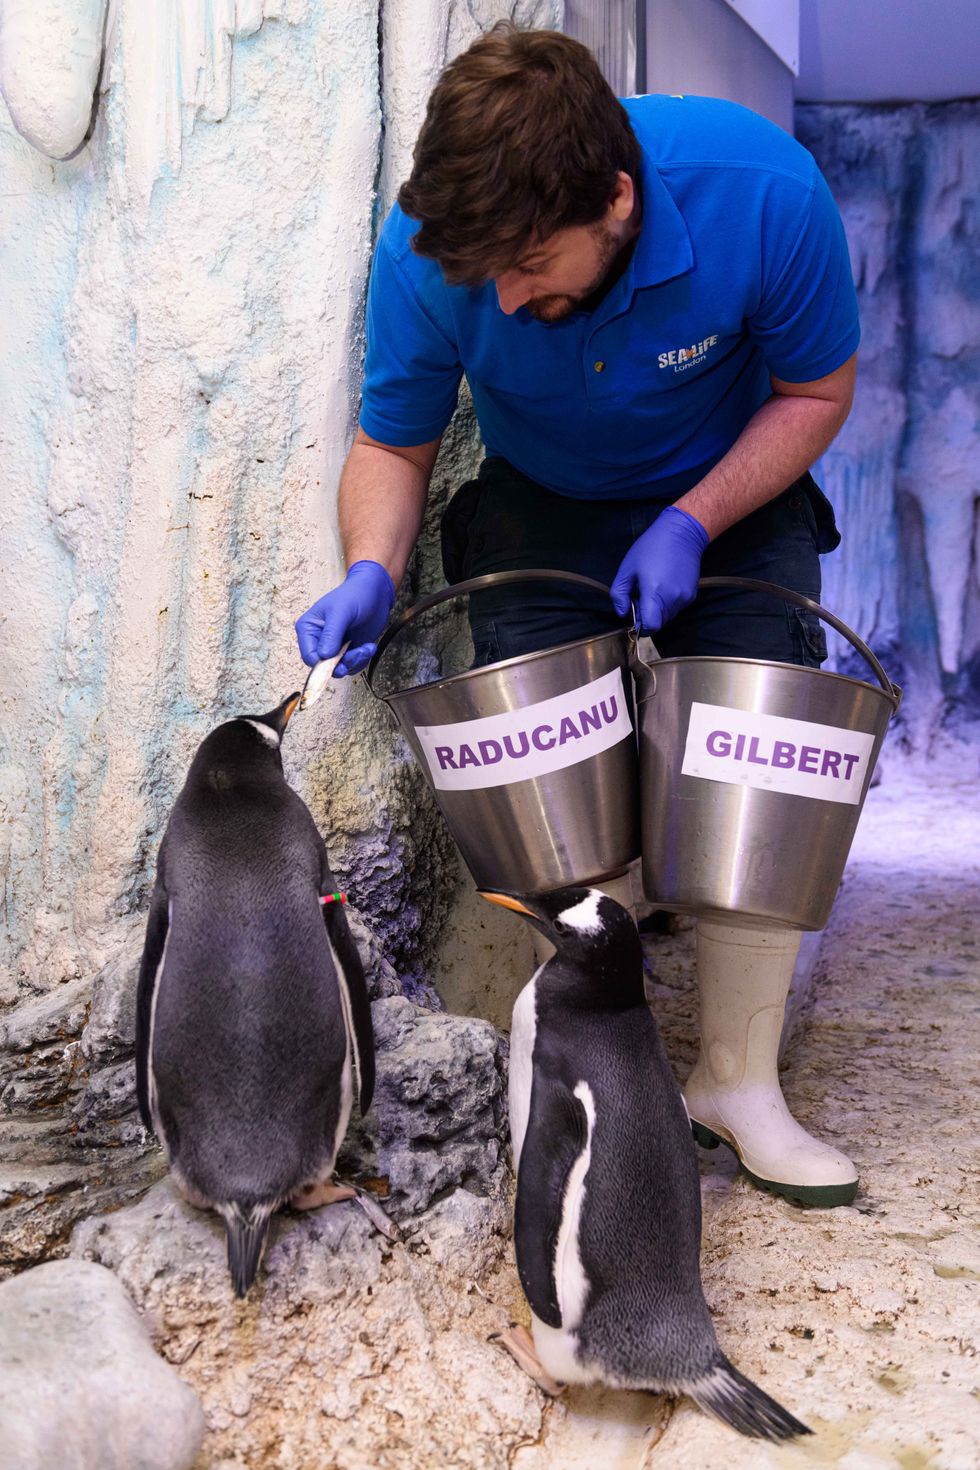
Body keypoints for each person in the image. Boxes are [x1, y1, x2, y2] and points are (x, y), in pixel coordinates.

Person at [294, 26, 860, 1207]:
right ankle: (605, 1083)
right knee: (541, 778)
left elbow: (814, 392)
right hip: (542, 497)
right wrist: (371, 568)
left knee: (758, 760)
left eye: (527, 264)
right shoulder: (430, 251)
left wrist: (694, 520)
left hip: (728, 483)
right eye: (484, 275)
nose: (504, 298)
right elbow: (393, 442)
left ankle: (736, 1083)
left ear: (615, 199)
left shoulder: (762, 193)